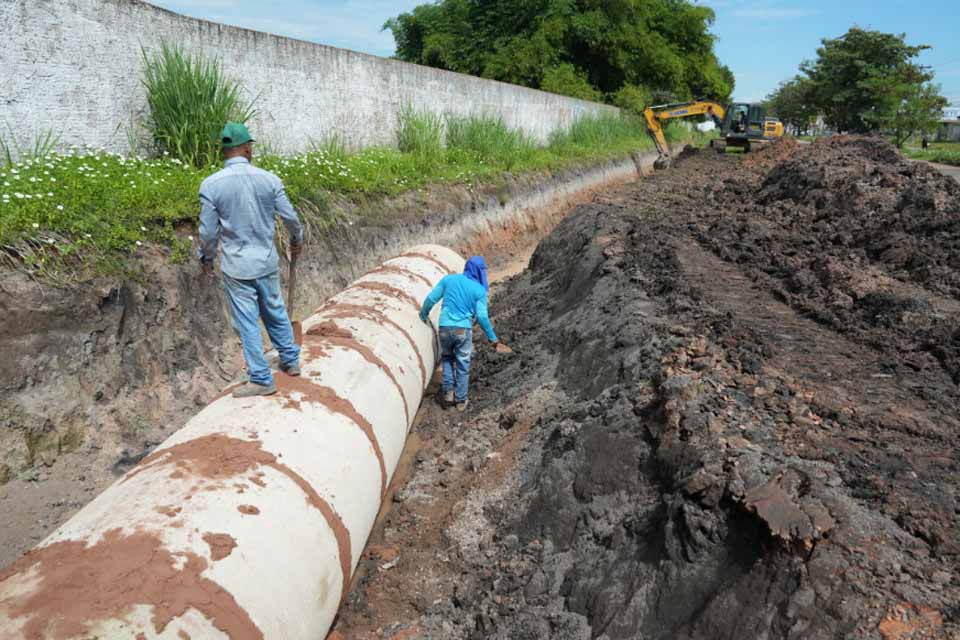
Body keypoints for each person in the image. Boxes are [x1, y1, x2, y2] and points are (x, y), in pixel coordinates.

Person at [198, 122, 304, 398]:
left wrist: (206, 258)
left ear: (225, 151)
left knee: (247, 322)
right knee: (274, 310)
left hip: (237, 266)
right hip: (266, 261)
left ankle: (261, 378)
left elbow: (208, 232)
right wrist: (297, 239)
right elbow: (291, 217)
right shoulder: (269, 180)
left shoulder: (211, 185)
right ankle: (290, 360)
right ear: (246, 148)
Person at [419, 256, 506, 412]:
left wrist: (423, 315)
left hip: (444, 327)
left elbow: (431, 299)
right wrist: (493, 338)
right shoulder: (479, 290)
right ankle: (460, 400)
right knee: (462, 364)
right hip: (462, 330)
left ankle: (448, 394)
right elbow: (482, 317)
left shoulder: (449, 280)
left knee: (446, 359)